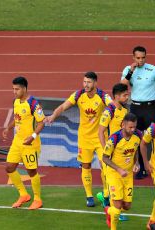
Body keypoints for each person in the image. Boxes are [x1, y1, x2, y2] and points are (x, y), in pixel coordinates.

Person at [45, 71, 112, 207]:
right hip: (84, 138)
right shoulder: (78, 94)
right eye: (84, 82)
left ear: (95, 83)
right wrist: (53, 115)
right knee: (85, 166)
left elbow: (113, 106)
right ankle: (89, 196)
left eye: (89, 82)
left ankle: (106, 195)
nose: (86, 85)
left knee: (105, 166)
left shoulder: (102, 96)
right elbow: (64, 106)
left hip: (100, 138)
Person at [121, 46, 155, 180]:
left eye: (143, 57)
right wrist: (131, 71)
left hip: (150, 108)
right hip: (135, 108)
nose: (140, 60)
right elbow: (122, 86)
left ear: (145, 57)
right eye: (138, 58)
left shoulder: (153, 69)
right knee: (136, 138)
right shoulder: (128, 70)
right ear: (133, 58)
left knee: (154, 138)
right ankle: (141, 167)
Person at [2, 76, 45, 210]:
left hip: (30, 143)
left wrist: (32, 136)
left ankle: (37, 199)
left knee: (31, 171)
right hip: (17, 141)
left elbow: (41, 122)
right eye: (13, 89)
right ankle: (23, 194)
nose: (14, 91)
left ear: (25, 88)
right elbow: (17, 118)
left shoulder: (33, 104)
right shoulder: (16, 102)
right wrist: (8, 128)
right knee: (9, 167)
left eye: (17, 89)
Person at [102, 113, 142, 230]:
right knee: (118, 205)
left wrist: (137, 162)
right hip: (114, 174)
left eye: (134, 126)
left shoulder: (138, 135)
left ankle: (108, 210)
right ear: (123, 125)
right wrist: (118, 169)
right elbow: (104, 158)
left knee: (127, 206)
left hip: (128, 175)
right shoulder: (114, 139)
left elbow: (135, 150)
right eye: (130, 127)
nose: (133, 129)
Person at [98, 83, 129, 207]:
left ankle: (105, 198)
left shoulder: (125, 111)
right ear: (116, 96)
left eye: (127, 94)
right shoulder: (109, 111)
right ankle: (114, 210)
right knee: (113, 181)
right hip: (110, 151)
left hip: (121, 152)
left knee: (118, 180)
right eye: (124, 95)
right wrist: (106, 151)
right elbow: (100, 132)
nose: (127, 97)